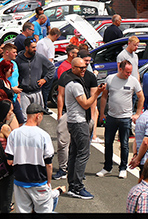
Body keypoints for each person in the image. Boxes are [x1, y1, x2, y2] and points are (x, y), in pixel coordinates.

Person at [65, 57, 106, 199]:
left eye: (85, 67)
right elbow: (86, 104)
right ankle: (77, 186)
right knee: (83, 154)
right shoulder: (75, 84)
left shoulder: (73, 81)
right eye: (81, 68)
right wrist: (97, 93)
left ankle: (73, 185)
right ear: (73, 68)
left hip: (75, 121)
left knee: (74, 153)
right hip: (78, 122)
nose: (84, 70)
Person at [5, 103, 57, 213]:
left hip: (20, 181)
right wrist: (48, 181)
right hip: (39, 181)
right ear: (38, 116)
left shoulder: (14, 134)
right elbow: (49, 163)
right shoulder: (44, 135)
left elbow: (9, 160)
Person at [97, 59, 144, 179]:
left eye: (130, 72)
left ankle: (123, 168)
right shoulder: (110, 79)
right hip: (112, 116)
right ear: (120, 69)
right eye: (126, 72)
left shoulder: (133, 81)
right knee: (108, 142)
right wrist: (102, 113)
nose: (128, 74)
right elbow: (104, 97)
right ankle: (107, 167)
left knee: (124, 144)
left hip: (125, 118)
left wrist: (137, 114)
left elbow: (141, 97)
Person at [16, 37, 52, 113]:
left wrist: (45, 79)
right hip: (24, 93)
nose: (35, 49)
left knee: (37, 117)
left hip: (37, 93)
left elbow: (51, 68)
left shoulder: (40, 57)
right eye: (33, 47)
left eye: (36, 47)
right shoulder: (18, 59)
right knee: (25, 118)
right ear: (26, 47)